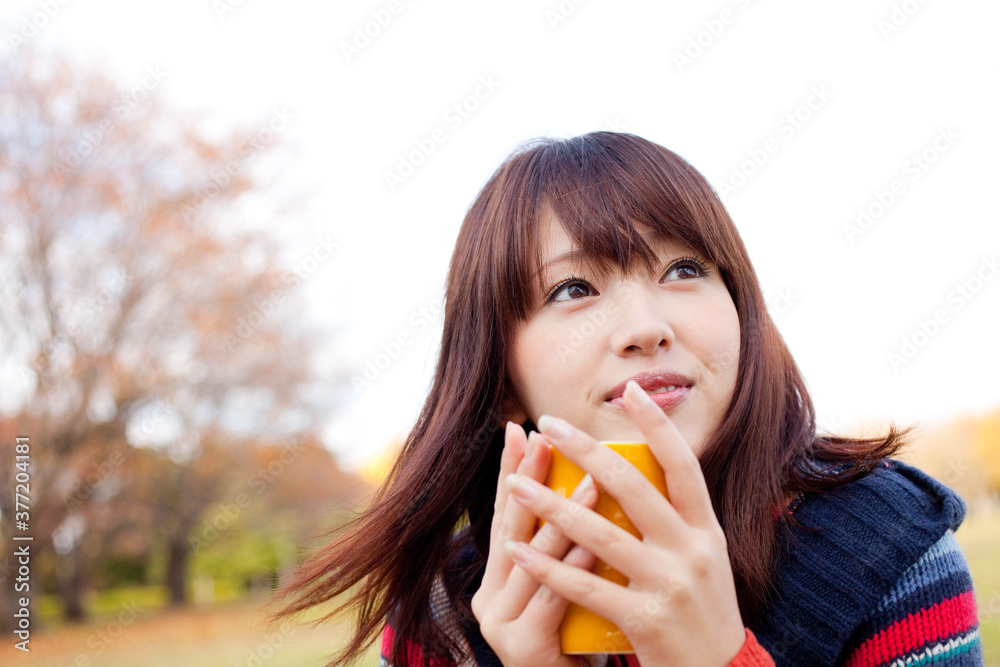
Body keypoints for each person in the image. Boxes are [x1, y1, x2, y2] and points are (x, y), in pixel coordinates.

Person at [272, 132, 983, 666]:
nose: (647, 327)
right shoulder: (445, 612)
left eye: (683, 268)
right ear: (498, 384)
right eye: (573, 289)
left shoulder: (886, 547)